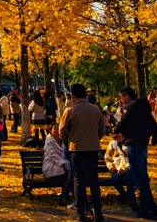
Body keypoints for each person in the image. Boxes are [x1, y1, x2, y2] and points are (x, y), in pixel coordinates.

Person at [59, 83, 106, 222]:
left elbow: (62, 131)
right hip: (93, 149)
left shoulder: (70, 110)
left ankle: (80, 213)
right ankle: (98, 212)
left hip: (76, 149)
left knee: (78, 180)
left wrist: (69, 142)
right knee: (93, 180)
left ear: (72, 95)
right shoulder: (96, 109)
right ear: (86, 94)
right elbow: (102, 129)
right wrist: (94, 139)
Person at [114, 86, 157, 219]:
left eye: (121, 97)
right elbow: (152, 124)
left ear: (126, 96)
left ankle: (147, 206)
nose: (121, 100)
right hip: (142, 143)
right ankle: (150, 205)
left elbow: (123, 121)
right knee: (142, 174)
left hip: (133, 143)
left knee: (139, 176)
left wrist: (116, 129)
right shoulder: (143, 105)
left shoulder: (131, 107)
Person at [105, 131, 136, 210]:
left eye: (116, 134)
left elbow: (132, 160)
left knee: (130, 175)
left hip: (127, 168)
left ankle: (130, 197)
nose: (114, 136)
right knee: (115, 179)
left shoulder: (128, 145)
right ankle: (123, 194)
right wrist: (110, 167)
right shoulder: (112, 144)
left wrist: (123, 169)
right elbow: (107, 158)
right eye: (112, 134)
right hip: (116, 168)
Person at [43, 123, 71, 206]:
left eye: (58, 129)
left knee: (71, 176)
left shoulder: (61, 140)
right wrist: (63, 163)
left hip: (61, 168)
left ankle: (69, 198)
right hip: (51, 168)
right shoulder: (49, 141)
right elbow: (53, 155)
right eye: (55, 129)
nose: (57, 131)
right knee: (68, 177)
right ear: (50, 130)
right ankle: (64, 199)